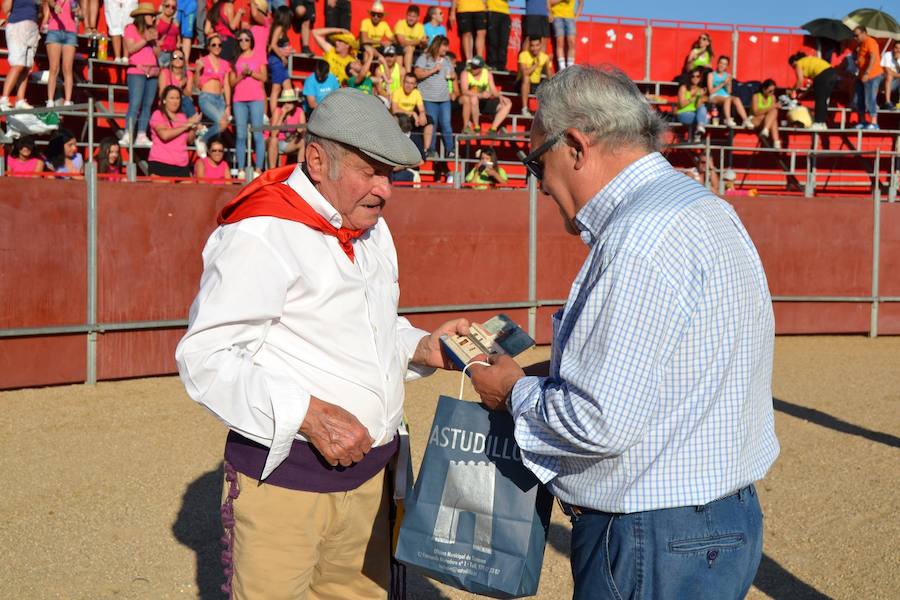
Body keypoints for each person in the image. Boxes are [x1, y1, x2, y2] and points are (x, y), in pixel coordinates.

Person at [469, 64, 779, 600]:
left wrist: (514, 391)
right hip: (720, 516)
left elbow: (598, 423)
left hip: (651, 532)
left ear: (575, 146)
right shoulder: (705, 206)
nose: (539, 184)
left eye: (535, 162)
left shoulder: (636, 238)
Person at [175, 87, 469, 600]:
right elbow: (206, 357)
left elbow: (374, 329)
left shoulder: (372, 228)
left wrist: (423, 347)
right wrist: (309, 415)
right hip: (287, 483)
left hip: (374, 477)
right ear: (316, 159)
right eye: (371, 170)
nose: (386, 190)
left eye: (391, 174)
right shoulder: (262, 232)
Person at [120, 3, 162, 148]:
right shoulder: (131, 28)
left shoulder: (153, 31)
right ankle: (128, 133)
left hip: (153, 72)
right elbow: (131, 49)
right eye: (151, 15)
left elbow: (157, 54)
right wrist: (146, 39)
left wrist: (155, 42)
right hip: (137, 71)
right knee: (135, 103)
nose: (154, 18)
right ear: (143, 16)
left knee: (147, 105)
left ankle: (142, 134)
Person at [231, 29, 268, 178]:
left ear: (251, 41)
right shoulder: (235, 58)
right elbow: (232, 82)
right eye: (241, 40)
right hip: (239, 99)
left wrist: (251, 73)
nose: (243, 42)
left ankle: (258, 169)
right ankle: (240, 169)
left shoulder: (259, 55)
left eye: (246, 39)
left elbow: (264, 77)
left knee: (258, 134)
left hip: (256, 98)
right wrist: (242, 75)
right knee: (240, 135)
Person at [414, 35, 455, 159]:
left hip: (444, 99)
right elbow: (417, 74)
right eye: (444, 46)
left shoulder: (447, 60)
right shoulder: (424, 58)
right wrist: (433, 70)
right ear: (438, 45)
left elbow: (452, 76)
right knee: (432, 124)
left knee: (446, 124)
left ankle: (450, 150)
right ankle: (431, 149)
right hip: (429, 98)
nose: (446, 49)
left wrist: (453, 78)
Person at [148, 85, 202, 177]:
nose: (175, 101)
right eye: (172, 98)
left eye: (177, 98)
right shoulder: (158, 114)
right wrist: (186, 125)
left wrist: (193, 126)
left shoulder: (182, 116)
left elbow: (189, 140)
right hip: (161, 163)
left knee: (187, 191)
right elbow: (164, 135)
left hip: (181, 164)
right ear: (164, 100)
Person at [1, 0, 40, 110]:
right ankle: (4, 99)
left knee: (26, 67)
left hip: (33, 27)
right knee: (18, 65)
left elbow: (40, 11)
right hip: (17, 25)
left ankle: (20, 100)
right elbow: (5, 9)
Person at [196, 34, 233, 147]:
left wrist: (228, 105)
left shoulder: (225, 63)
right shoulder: (202, 61)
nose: (217, 47)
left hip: (220, 99)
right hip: (206, 97)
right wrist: (197, 70)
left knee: (223, 126)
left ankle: (208, 146)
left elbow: (226, 85)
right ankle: (202, 139)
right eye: (214, 45)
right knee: (222, 123)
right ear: (209, 47)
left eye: (219, 45)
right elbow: (196, 84)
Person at [459, 55, 511, 134]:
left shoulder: (487, 74)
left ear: (481, 68)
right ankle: (476, 127)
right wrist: (480, 95)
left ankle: (493, 128)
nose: (473, 68)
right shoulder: (465, 73)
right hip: (470, 101)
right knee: (473, 98)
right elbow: (464, 91)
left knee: (508, 103)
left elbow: (493, 91)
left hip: (484, 101)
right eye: (472, 66)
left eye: (475, 67)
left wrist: (500, 96)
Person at [43, 0, 80, 107]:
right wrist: (55, 6)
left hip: (70, 32)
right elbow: (50, 2)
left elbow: (79, 13)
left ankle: (68, 100)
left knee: (68, 68)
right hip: (55, 30)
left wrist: (78, 11)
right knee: (54, 67)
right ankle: (50, 100)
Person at [788, 51, 837, 130]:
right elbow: (815, 83)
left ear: (793, 62)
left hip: (823, 75)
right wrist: (805, 93)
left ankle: (818, 123)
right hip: (832, 73)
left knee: (819, 100)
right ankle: (823, 124)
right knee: (823, 100)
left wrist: (792, 90)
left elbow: (800, 81)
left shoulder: (798, 64)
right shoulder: (808, 61)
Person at [391, 72, 433, 154]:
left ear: (415, 85)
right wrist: (413, 113)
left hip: (410, 118)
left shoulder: (416, 93)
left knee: (429, 120)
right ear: (403, 82)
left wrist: (422, 114)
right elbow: (394, 110)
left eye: (411, 83)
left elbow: (421, 109)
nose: (408, 85)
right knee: (403, 118)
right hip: (399, 118)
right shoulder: (397, 92)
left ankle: (426, 150)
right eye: (406, 82)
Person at [707, 56, 753, 129]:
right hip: (714, 96)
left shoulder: (727, 76)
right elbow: (710, 91)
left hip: (725, 96)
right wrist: (723, 83)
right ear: (718, 63)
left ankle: (745, 120)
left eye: (724, 64)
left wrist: (728, 83)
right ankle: (728, 119)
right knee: (727, 99)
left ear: (726, 66)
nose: (722, 65)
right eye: (721, 63)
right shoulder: (711, 75)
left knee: (736, 99)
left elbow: (729, 92)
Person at [852, 26, 883, 130]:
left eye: (856, 35)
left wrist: (867, 72)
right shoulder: (860, 45)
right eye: (854, 36)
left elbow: (873, 57)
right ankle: (863, 121)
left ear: (864, 33)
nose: (855, 38)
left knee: (870, 99)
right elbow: (862, 60)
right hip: (862, 76)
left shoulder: (870, 41)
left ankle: (874, 123)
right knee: (859, 99)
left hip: (872, 75)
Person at [266, 87, 306, 168]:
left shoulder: (299, 111)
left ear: (294, 103)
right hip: (273, 142)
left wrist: (301, 131)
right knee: (274, 140)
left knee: (302, 142)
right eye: (285, 102)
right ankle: (272, 171)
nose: (287, 104)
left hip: (288, 143)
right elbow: (273, 134)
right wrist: (282, 115)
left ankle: (300, 171)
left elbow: (303, 129)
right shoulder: (277, 111)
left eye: (290, 102)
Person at [267, 6, 294, 115]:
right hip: (276, 60)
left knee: (288, 90)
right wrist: (282, 56)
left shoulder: (280, 28)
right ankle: (274, 115)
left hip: (278, 60)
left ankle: (286, 115)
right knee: (276, 88)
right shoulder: (279, 28)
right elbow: (273, 45)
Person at [518, 36, 554, 117]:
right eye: (532, 45)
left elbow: (549, 76)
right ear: (529, 46)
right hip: (521, 84)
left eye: (537, 45)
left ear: (541, 45)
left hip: (535, 84)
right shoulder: (523, 55)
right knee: (526, 78)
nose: (534, 48)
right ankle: (524, 109)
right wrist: (536, 64)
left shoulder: (544, 57)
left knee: (549, 82)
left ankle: (547, 111)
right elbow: (525, 73)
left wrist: (548, 63)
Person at [674, 67, 708, 143]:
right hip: (683, 113)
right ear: (690, 77)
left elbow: (697, 107)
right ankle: (698, 133)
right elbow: (682, 104)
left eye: (698, 76)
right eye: (693, 76)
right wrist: (694, 97)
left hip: (694, 114)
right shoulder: (684, 88)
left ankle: (699, 129)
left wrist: (701, 98)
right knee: (705, 120)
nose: (695, 78)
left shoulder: (699, 89)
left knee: (703, 108)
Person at [159, 50, 196, 117]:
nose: (177, 59)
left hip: (182, 101)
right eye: (175, 57)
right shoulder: (165, 72)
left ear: (184, 60)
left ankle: (192, 123)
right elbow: (161, 94)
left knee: (186, 100)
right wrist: (179, 85)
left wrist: (182, 86)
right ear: (171, 60)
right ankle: (195, 123)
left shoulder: (188, 74)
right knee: (182, 101)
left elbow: (189, 93)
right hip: (167, 102)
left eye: (180, 58)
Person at [394, 4, 427, 72]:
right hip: (397, 49)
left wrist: (424, 43)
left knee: (412, 49)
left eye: (414, 16)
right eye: (409, 15)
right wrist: (418, 41)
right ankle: (407, 73)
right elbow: (402, 43)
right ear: (406, 15)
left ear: (418, 18)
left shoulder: (420, 27)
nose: (411, 18)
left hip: (413, 52)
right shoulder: (401, 23)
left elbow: (422, 46)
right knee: (409, 48)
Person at [549, 0, 580, 71]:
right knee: (559, 41)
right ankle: (561, 67)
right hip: (557, 15)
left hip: (570, 17)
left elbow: (581, 3)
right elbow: (549, 2)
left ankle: (570, 67)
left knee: (572, 42)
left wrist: (577, 16)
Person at [751, 79, 781, 149]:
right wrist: (771, 107)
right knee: (773, 117)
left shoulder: (773, 97)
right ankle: (776, 141)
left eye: (774, 91)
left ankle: (766, 130)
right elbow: (756, 112)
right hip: (755, 119)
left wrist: (773, 108)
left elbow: (772, 111)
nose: (772, 92)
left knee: (774, 113)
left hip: (766, 121)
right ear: (764, 89)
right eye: (770, 91)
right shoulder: (756, 96)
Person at [485, 0, 510, 71]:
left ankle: (501, 66)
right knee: (493, 40)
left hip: (505, 13)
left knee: (504, 42)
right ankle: (492, 64)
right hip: (492, 11)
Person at [156, 0, 181, 67]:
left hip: (172, 54)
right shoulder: (157, 20)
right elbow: (152, 36)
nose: (170, 9)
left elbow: (178, 37)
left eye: (173, 7)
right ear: (163, 6)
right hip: (160, 52)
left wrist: (178, 44)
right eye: (167, 6)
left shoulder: (175, 22)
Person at [882, 44, 900, 109]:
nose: (898, 50)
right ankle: (887, 102)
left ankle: (898, 103)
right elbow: (888, 71)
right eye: (896, 48)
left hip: (895, 83)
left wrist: (898, 60)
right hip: (882, 82)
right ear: (892, 48)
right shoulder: (888, 55)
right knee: (889, 76)